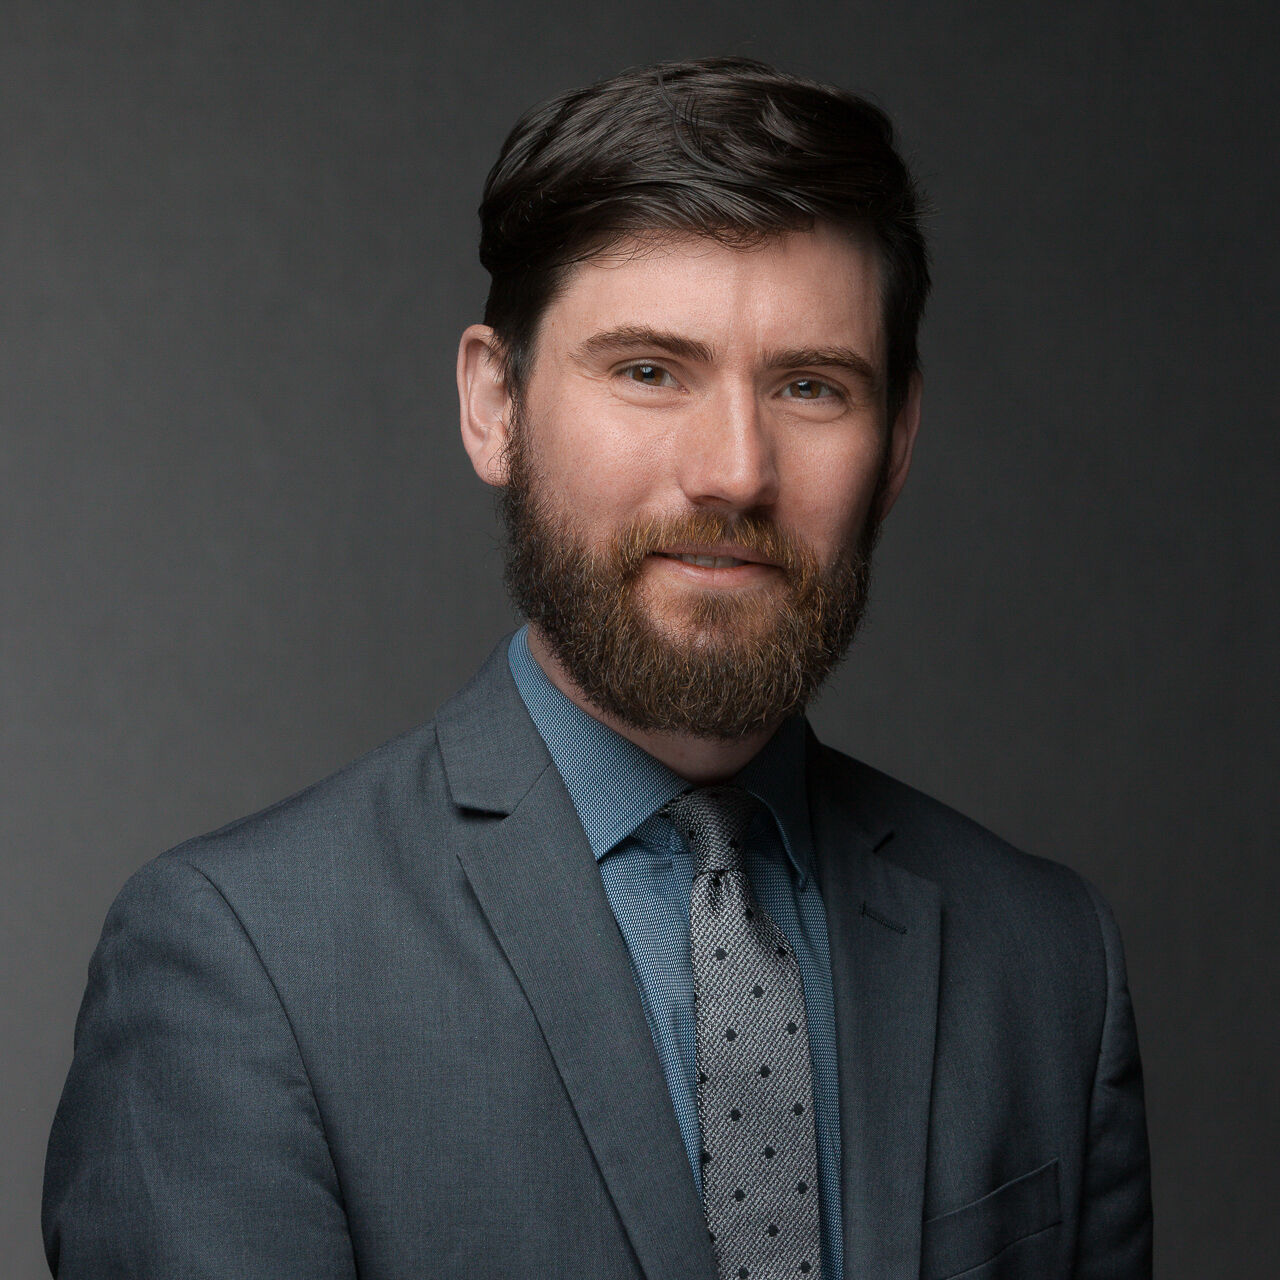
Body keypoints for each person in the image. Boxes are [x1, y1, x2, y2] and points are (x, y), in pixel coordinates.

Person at [42, 57, 1152, 1280]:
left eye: (809, 386)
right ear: (493, 406)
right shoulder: (244, 964)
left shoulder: (1045, 963)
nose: (734, 468)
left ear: (894, 443)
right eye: (647, 369)